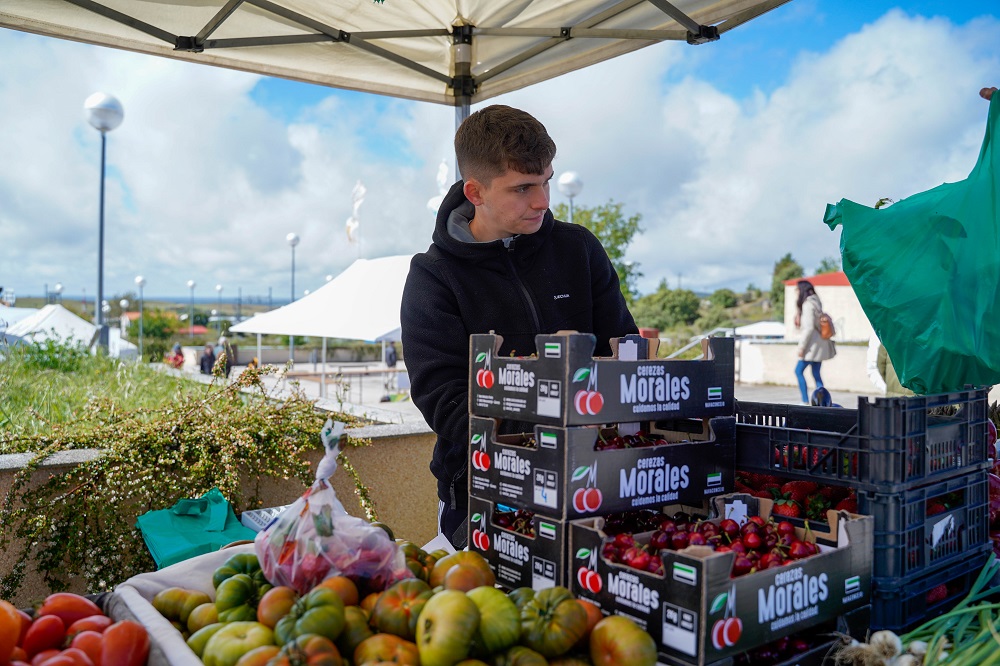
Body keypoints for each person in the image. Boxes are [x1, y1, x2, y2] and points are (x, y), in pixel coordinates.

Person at [400, 104, 638, 549]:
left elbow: (621, 350)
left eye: (546, 180)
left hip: (591, 485)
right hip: (483, 497)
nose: (543, 201)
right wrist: (554, 403)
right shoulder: (433, 278)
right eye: (523, 188)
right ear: (476, 191)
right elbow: (445, 404)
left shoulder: (579, 249)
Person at [793, 280, 836, 405]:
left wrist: (802, 347)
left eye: (797, 289)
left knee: (798, 371)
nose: (796, 292)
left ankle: (805, 400)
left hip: (811, 346)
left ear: (802, 290)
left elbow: (809, 328)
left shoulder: (807, 304)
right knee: (816, 374)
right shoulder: (817, 302)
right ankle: (823, 402)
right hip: (820, 345)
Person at [866, 333, 914, 397]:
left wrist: (889, 385)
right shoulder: (925, 338)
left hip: (893, 399)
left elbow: (879, 366)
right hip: (917, 399)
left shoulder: (888, 337)